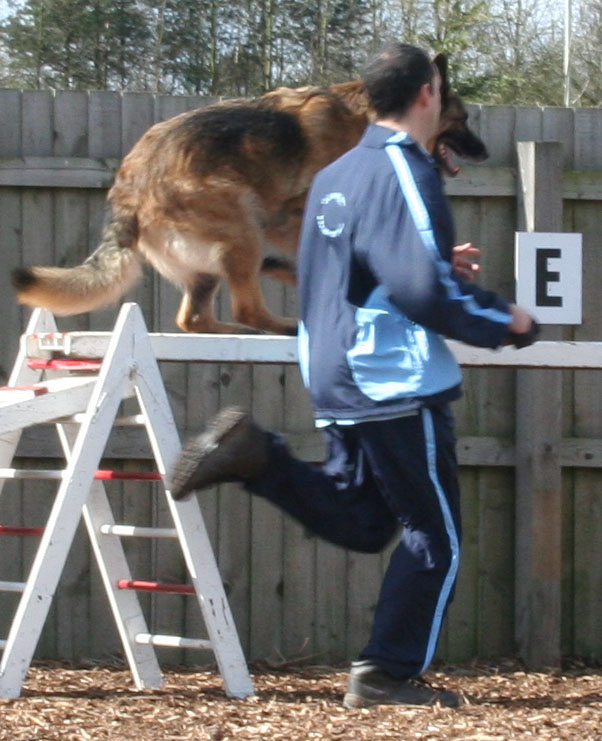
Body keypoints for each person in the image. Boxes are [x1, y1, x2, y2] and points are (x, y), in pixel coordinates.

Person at [169, 42, 538, 708]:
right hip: (391, 374)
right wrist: (504, 319)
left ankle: (259, 457)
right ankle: (386, 674)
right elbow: (424, 293)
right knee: (439, 535)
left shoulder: (340, 172)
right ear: (428, 94)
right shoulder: (406, 169)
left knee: (369, 522)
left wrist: (423, 258)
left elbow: (335, 267)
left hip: (334, 364)